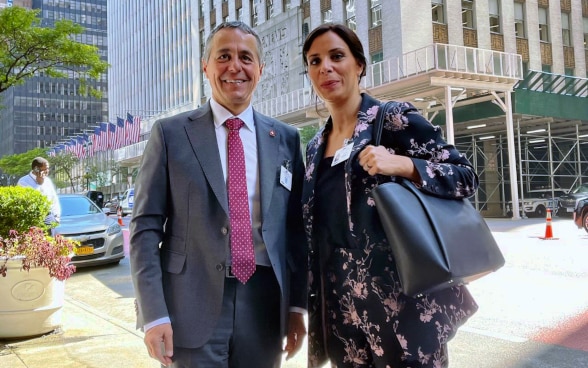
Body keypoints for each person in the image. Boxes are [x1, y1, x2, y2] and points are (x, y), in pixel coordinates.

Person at [130, 21, 307, 368]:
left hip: (266, 306)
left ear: (260, 69)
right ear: (206, 65)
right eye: (223, 56)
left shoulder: (286, 138)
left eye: (246, 57)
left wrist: (298, 306)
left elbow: (296, 233)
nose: (234, 66)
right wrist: (153, 314)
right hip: (190, 304)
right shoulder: (171, 134)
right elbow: (145, 229)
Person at [301, 23, 479, 368]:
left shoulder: (393, 119)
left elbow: (465, 176)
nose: (326, 67)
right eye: (314, 61)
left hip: (404, 305)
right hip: (341, 310)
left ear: (359, 65)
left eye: (337, 56)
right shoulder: (313, 148)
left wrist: (403, 164)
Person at [17, 157, 60, 226]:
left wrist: (56, 216)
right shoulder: (23, 181)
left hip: (50, 218)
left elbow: (54, 199)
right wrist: (40, 183)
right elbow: (32, 199)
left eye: (48, 168)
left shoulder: (47, 180)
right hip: (33, 219)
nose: (47, 171)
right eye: (45, 169)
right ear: (36, 169)